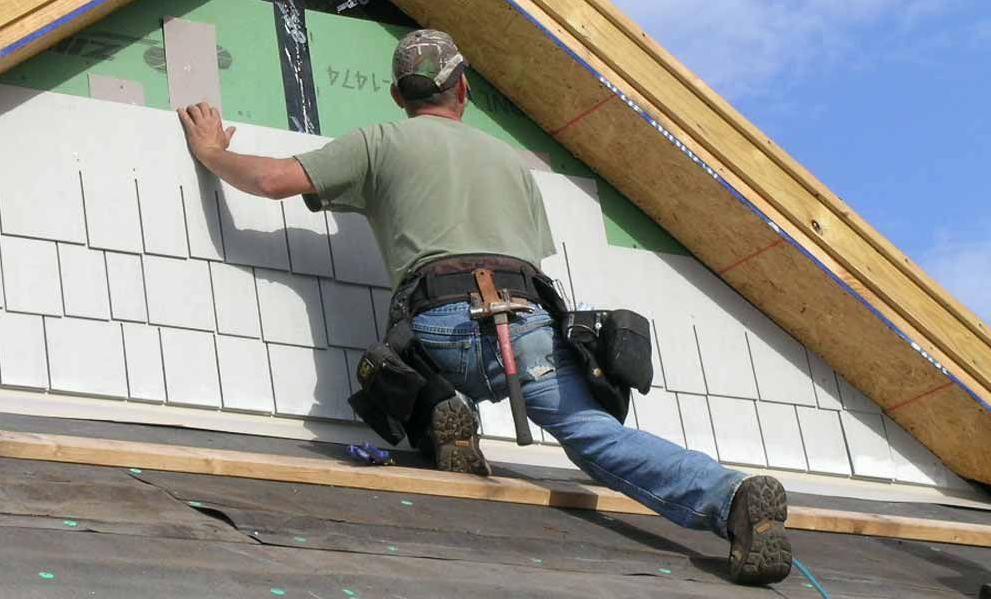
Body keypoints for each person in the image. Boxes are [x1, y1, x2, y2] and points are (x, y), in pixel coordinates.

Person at [178, 29, 793, 586]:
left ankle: (446, 412)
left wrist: (212, 152)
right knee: (594, 435)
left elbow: (273, 180)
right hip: (525, 326)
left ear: (398, 95)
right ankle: (730, 497)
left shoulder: (379, 143)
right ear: (463, 89)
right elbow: (528, 258)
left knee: (399, 366)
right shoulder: (510, 164)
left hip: (437, 324)